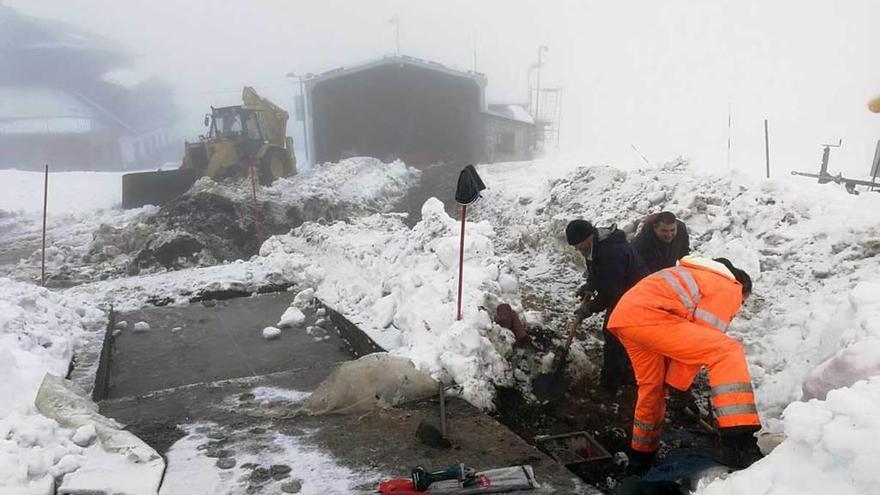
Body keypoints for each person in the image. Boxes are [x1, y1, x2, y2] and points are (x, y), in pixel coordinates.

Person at [607, 256, 762, 470]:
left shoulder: (695, 276)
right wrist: (678, 385)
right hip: (650, 317)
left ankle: (641, 454)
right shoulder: (728, 287)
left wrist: (672, 383)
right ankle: (739, 441)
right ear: (739, 286)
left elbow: (684, 342)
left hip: (626, 318)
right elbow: (706, 339)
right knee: (726, 351)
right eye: (741, 302)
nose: (738, 308)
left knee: (653, 387)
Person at [565, 219, 648, 395]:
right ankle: (626, 372)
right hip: (624, 291)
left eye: (578, 244)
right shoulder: (594, 246)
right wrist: (590, 285)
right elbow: (597, 271)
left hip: (635, 294)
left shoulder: (611, 252)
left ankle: (609, 387)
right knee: (622, 336)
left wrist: (589, 309)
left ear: (587, 237)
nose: (577, 249)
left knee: (613, 334)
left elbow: (611, 293)